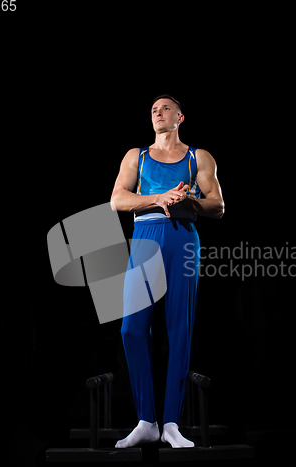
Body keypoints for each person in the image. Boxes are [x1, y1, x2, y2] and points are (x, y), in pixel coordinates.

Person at [110, 94, 224, 448]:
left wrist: (189, 201)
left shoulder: (199, 157)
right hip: (146, 234)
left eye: (165, 109)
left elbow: (217, 205)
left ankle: (171, 423)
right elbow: (117, 199)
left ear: (180, 117)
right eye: (153, 110)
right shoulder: (136, 156)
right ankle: (147, 420)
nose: (157, 113)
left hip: (183, 239)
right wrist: (158, 198)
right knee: (132, 328)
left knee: (179, 328)